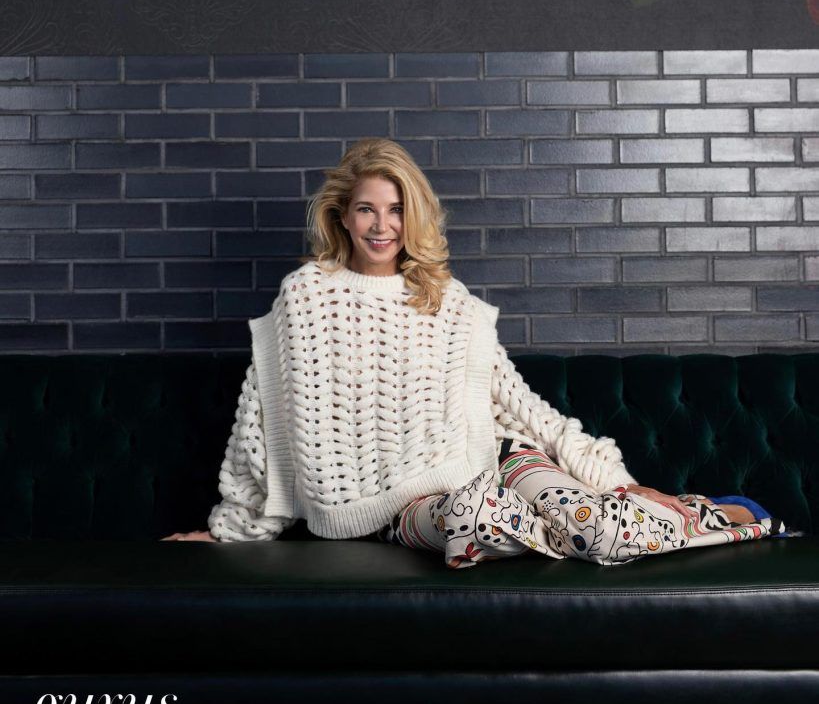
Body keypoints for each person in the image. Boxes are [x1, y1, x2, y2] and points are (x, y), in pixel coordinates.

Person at [162, 137, 788, 566]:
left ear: (413, 217)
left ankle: (721, 518)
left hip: (501, 459)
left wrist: (619, 482)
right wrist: (232, 528)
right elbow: (263, 422)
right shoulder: (305, 296)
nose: (382, 226)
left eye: (397, 210)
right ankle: (576, 525)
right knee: (472, 518)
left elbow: (519, 403)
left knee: (603, 525)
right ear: (343, 216)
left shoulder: (447, 300)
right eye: (367, 210)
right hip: (419, 509)